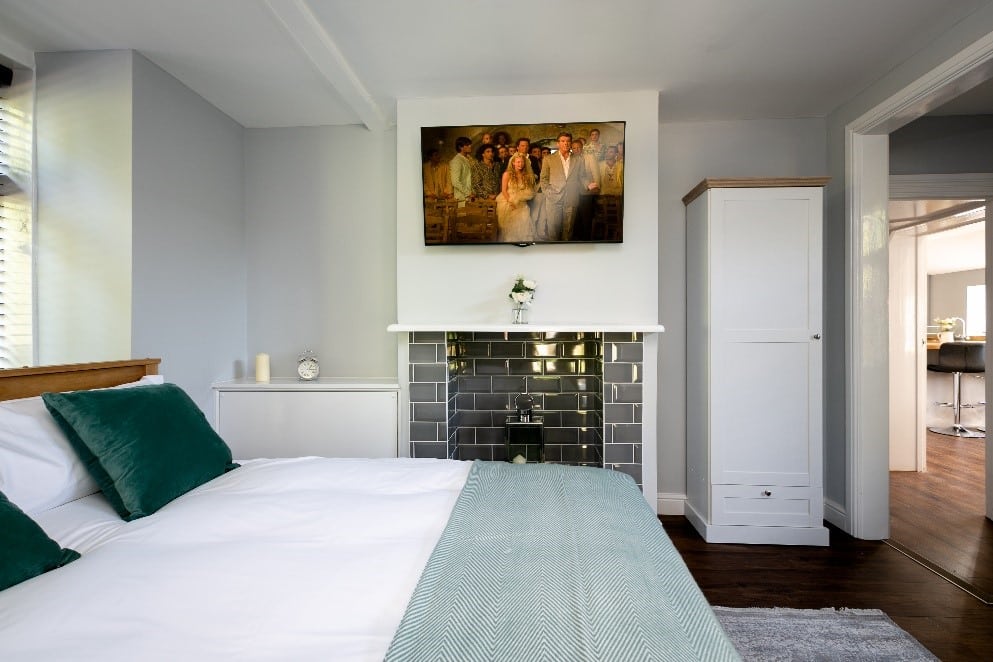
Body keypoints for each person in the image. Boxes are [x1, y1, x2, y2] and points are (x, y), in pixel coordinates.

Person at [538, 132, 598, 241]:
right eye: (563, 141)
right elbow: (543, 179)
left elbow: (582, 176)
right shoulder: (548, 159)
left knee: (568, 231)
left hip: (571, 198)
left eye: (568, 141)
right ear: (558, 143)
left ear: (570, 143)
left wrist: (588, 184)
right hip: (553, 199)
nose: (566, 143)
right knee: (553, 231)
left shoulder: (578, 159)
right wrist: (549, 194)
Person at [496, 152, 536, 243]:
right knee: (510, 227)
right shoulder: (507, 174)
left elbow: (529, 190)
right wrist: (511, 202)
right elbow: (504, 190)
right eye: (518, 162)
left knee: (524, 223)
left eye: (522, 162)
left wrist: (522, 197)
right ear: (513, 163)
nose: (520, 164)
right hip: (508, 200)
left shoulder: (526, 175)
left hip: (522, 202)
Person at [571, 136, 601, 241]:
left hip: (588, 192)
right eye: (574, 148)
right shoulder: (571, 158)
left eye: (578, 147)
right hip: (574, 193)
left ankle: (587, 238)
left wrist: (596, 188)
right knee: (576, 217)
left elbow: (596, 173)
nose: (576, 150)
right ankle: (577, 238)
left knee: (587, 216)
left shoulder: (590, 157)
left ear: (582, 147)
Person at [449, 136, 473, 205]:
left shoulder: (469, 159)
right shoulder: (457, 161)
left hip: (471, 196)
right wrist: (468, 193)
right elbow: (455, 181)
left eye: (470, 144)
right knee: (463, 215)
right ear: (460, 147)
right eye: (467, 145)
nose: (470, 146)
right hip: (462, 197)